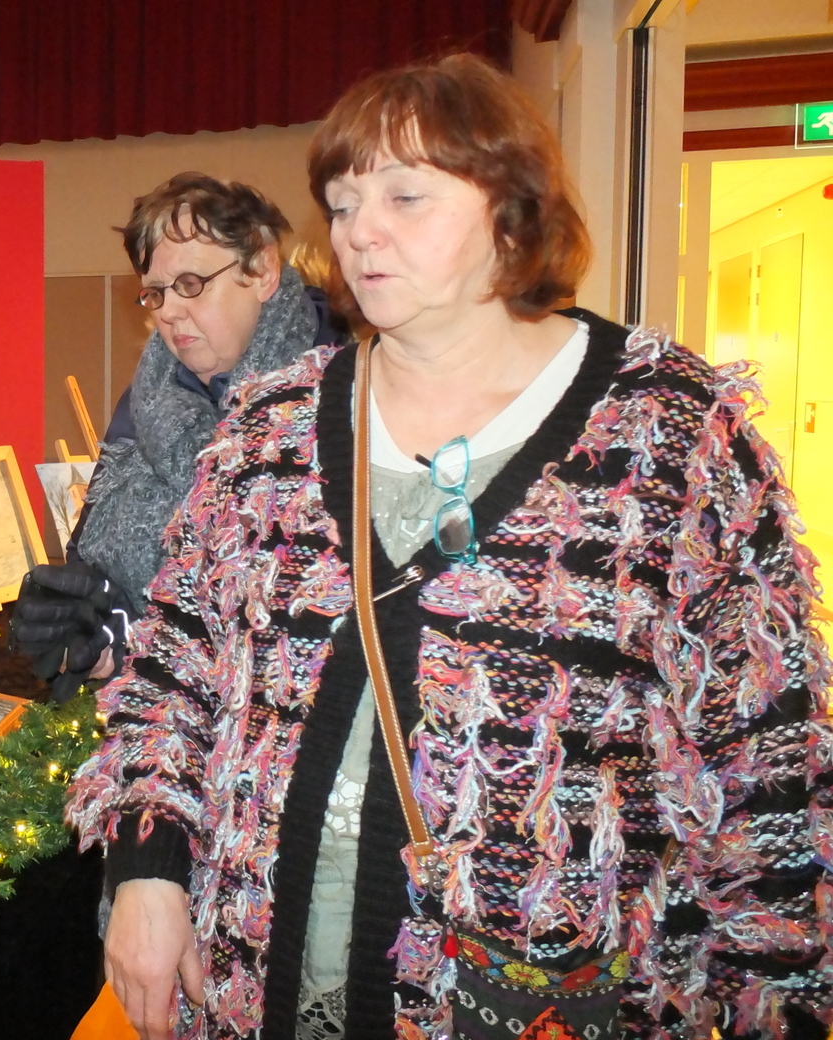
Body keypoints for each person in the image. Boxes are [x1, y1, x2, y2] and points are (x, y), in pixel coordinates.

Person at [67, 54, 833, 1040]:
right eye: (343, 204)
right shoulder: (268, 431)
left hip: (539, 1001)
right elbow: (172, 676)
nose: (358, 232)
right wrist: (147, 871)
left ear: (510, 211)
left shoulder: (667, 436)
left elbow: (767, 758)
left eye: (404, 195)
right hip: (256, 987)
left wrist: (778, 1000)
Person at [11, 173, 337, 701]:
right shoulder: (147, 399)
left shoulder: (340, 393)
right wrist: (94, 633)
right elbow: (103, 571)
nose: (167, 311)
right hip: (152, 719)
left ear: (262, 270)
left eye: (189, 283)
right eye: (156, 292)